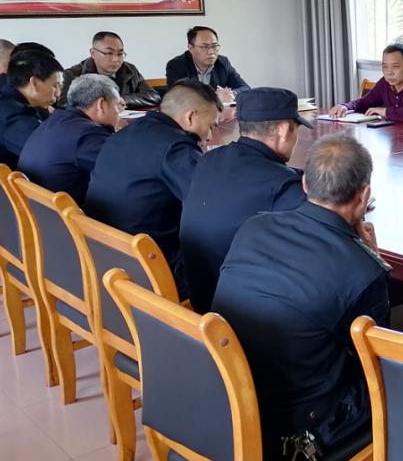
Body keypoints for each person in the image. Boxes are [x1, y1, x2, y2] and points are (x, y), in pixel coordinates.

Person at [212, 134, 387, 461]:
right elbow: (376, 362)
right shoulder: (362, 271)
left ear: (305, 184)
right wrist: (373, 258)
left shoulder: (254, 227)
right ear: (364, 194)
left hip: (227, 400)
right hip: (297, 431)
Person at [84, 80, 221, 292]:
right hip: (148, 266)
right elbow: (207, 204)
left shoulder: (125, 133)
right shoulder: (175, 147)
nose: (209, 136)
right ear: (190, 117)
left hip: (105, 253)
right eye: (211, 126)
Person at [180, 87, 307, 313]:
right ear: (283, 130)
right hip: (243, 317)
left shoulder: (209, 159)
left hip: (201, 298)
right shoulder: (283, 186)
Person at [17, 74, 121, 203]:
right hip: (66, 213)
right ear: (101, 104)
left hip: (38, 209)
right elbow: (124, 171)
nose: (118, 113)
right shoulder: (88, 134)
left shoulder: (55, 121)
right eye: (117, 106)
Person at [0, 48, 63, 167]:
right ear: (34, 83)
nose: (58, 93)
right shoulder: (15, 119)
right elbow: (52, 156)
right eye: (55, 86)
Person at [329, 40, 403, 123]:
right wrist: (345, 106)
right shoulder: (385, 82)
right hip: (397, 135)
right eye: (385, 66)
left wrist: (383, 111)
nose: (389, 72)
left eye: (395, 66)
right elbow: (365, 102)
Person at [60, 32, 160, 109]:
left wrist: (122, 99)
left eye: (120, 54)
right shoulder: (73, 74)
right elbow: (64, 105)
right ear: (93, 53)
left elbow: (153, 96)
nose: (116, 59)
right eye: (109, 53)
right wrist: (107, 104)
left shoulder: (130, 70)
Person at [165, 26, 248, 106]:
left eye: (214, 46)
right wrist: (214, 97)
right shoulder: (177, 65)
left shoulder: (222, 63)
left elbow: (245, 88)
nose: (211, 52)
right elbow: (178, 98)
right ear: (191, 48)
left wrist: (232, 94)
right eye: (204, 47)